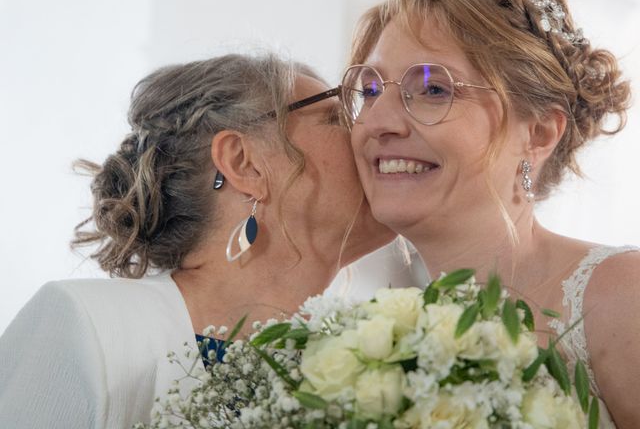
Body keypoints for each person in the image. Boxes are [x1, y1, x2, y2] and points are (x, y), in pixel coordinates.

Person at [0, 53, 394, 428]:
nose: (367, 133)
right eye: (336, 116)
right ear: (244, 162)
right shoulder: (86, 326)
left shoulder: (378, 364)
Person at [343, 0, 639, 428]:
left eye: (433, 89)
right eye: (371, 90)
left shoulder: (621, 296)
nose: (378, 121)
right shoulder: (374, 344)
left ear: (538, 133)